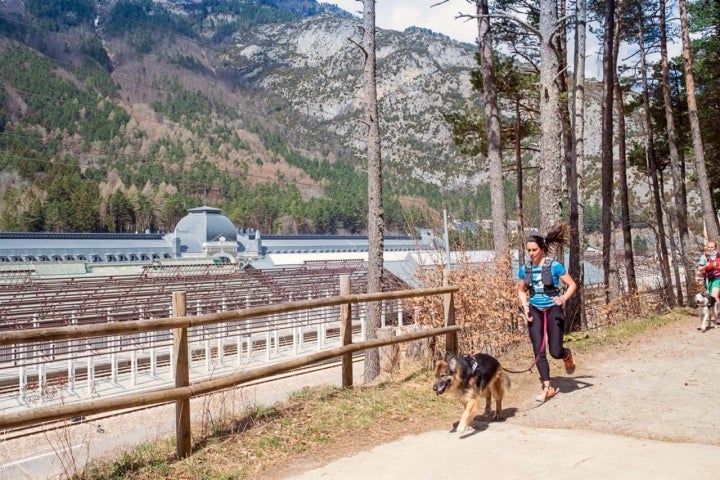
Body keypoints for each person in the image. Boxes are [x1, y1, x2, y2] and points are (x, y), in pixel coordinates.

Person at [517, 222, 578, 402]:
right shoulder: (524, 269)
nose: (531, 253)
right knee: (539, 350)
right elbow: (521, 290)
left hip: (553, 309)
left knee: (554, 351)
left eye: (534, 250)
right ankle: (547, 387)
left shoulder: (554, 266)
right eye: (528, 250)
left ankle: (566, 354)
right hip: (534, 310)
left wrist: (563, 299)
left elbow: (572, 284)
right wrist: (525, 305)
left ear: (542, 249)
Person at [698, 240, 720, 324]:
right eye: (709, 247)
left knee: (714, 296)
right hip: (709, 280)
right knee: (713, 297)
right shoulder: (704, 257)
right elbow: (700, 269)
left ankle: (718, 316)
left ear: (715, 247)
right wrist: (705, 266)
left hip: (718, 278)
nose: (710, 248)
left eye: (712, 247)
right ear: (707, 247)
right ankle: (714, 313)